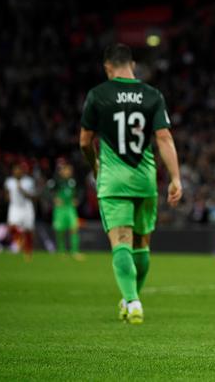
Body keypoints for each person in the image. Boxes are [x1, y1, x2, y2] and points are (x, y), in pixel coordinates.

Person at [80, 43, 182, 325]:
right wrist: (175, 178)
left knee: (121, 243)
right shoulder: (152, 95)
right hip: (144, 179)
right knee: (141, 244)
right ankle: (131, 298)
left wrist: (95, 164)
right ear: (132, 65)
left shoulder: (98, 95)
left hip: (113, 180)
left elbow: (84, 141)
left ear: (107, 67)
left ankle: (133, 301)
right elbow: (164, 138)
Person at [47, 160, 84, 260]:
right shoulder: (56, 181)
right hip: (60, 209)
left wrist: (78, 200)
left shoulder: (73, 181)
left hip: (70, 208)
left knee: (74, 228)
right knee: (60, 230)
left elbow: (81, 191)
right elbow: (47, 191)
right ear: (61, 171)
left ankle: (75, 251)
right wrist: (53, 199)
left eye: (70, 170)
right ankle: (61, 251)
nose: (69, 172)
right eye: (67, 170)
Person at [2, 162, 37, 261]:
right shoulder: (9, 181)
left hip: (26, 207)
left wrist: (22, 190)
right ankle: (20, 238)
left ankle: (28, 252)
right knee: (11, 227)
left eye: (19, 170)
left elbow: (32, 196)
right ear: (13, 171)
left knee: (29, 231)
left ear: (22, 171)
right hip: (14, 207)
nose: (17, 172)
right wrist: (7, 197)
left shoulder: (28, 181)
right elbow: (7, 193)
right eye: (15, 170)